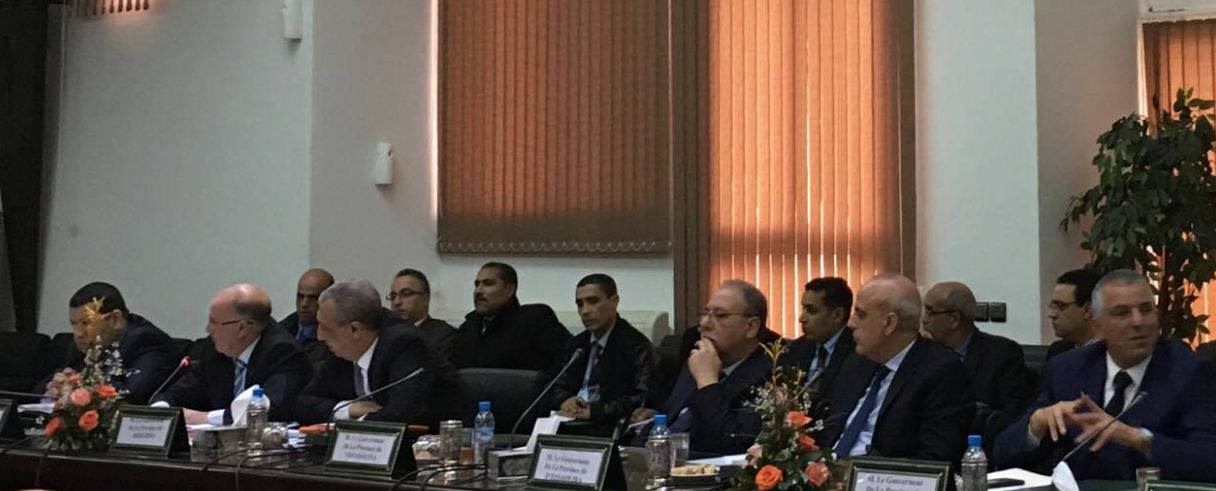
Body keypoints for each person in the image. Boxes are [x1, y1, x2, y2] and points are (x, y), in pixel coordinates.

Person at [993, 270, 1216, 482]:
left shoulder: (1188, 372)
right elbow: (1002, 455)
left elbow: (1209, 460)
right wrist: (1036, 425)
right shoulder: (1068, 370)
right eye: (1122, 313)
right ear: (1098, 325)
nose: (1138, 322)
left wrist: (1138, 438)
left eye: (1146, 309)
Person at [823, 273, 974, 463]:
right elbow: (828, 430)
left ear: (889, 323)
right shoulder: (857, 363)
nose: (851, 323)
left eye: (860, 314)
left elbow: (935, 457)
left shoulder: (942, 372)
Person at [296, 280, 464, 427]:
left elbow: (401, 416)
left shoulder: (405, 345)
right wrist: (350, 410)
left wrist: (353, 423)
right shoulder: (342, 348)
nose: (319, 336)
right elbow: (303, 405)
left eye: (325, 328)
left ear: (355, 329)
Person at [151, 284, 312, 424]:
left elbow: (269, 411)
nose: (208, 329)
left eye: (214, 322)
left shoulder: (283, 352)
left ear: (241, 328)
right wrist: (162, 407)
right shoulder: (215, 349)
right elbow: (182, 392)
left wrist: (205, 418)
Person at [654, 280, 772, 455]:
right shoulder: (698, 361)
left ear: (751, 327)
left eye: (721, 315)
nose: (704, 324)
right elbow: (664, 422)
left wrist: (707, 382)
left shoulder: (770, 377)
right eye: (705, 314)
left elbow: (730, 445)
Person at [921, 281, 1036, 452]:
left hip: (977, 450)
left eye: (930, 312)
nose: (924, 320)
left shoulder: (1001, 353)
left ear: (954, 319)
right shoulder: (925, 353)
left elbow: (1014, 416)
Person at [550, 274, 658, 435]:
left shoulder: (636, 345)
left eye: (593, 301)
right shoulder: (577, 344)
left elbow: (644, 397)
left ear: (614, 301)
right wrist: (565, 399)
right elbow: (555, 385)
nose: (585, 311)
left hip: (608, 427)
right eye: (580, 304)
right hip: (570, 423)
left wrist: (596, 411)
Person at [41, 282, 177, 405]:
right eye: (73, 324)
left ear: (116, 319)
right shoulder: (83, 343)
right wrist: (54, 387)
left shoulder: (147, 341)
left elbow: (132, 394)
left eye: (86, 323)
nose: (78, 333)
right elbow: (38, 387)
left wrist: (77, 387)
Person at [451, 262, 571, 374]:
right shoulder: (468, 328)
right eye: (477, 284)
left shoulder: (534, 319)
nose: (478, 291)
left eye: (488, 284)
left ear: (509, 290)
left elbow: (567, 359)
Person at [777, 277, 854, 401]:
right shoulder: (795, 349)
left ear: (838, 315)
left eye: (811, 310)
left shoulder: (858, 351)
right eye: (803, 309)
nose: (802, 318)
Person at [386, 268, 457, 362]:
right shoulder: (385, 336)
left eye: (406, 294)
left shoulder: (443, 336)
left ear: (426, 299)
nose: (396, 302)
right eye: (393, 296)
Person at [277, 268, 334, 366]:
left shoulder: (337, 339)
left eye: (313, 298)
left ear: (330, 299)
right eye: (300, 296)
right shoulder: (280, 330)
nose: (304, 304)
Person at [1046, 269, 1103, 361]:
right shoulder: (1058, 352)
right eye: (1053, 306)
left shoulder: (1114, 355)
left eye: (1061, 306)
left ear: (1088, 310)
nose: (1052, 315)